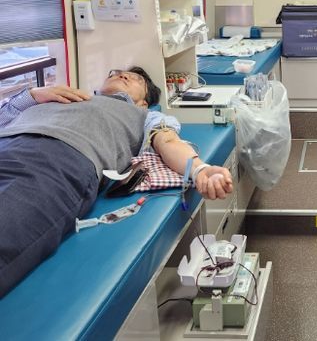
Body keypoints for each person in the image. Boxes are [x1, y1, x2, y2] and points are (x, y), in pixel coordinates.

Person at [0, 66, 233, 297]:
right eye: (116, 73)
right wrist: (33, 94)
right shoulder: (60, 96)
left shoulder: (145, 116)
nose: (124, 75)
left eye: (136, 79)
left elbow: (168, 141)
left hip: (59, 158)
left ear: (143, 103)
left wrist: (200, 169)